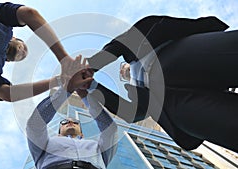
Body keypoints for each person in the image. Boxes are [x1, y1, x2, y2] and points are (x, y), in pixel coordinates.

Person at [83, 15, 238, 152]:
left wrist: (92, 65)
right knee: (227, 124)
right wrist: (92, 85)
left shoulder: (137, 46)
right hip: (171, 104)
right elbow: (131, 114)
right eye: (122, 74)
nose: (123, 71)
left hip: (176, 56)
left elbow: (119, 45)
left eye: (123, 67)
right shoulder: (138, 92)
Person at [26, 70, 118, 169]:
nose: (70, 122)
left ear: (82, 134)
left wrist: (84, 95)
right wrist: (67, 90)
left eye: (75, 122)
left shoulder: (97, 147)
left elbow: (110, 130)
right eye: (64, 122)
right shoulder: (46, 144)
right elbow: (35, 124)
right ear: (58, 133)